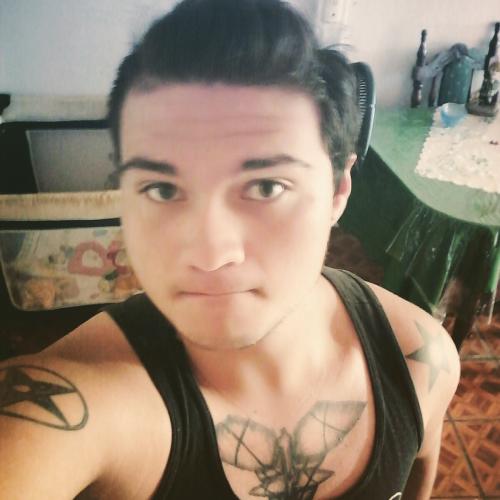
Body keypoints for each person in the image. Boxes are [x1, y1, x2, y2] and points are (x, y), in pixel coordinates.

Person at [0, 0, 460, 498]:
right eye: (162, 189)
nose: (211, 254)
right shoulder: (69, 406)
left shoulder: (419, 361)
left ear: (338, 190)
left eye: (266, 186)